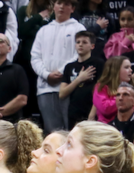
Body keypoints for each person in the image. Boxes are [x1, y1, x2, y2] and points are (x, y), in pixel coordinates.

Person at [31, 0, 84, 132]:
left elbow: (78, 54)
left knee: (71, 130)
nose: (62, 7)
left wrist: (61, 72)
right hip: (45, 87)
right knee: (52, 131)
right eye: (59, 3)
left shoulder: (78, 28)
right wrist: (46, 74)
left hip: (68, 86)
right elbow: (35, 56)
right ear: (53, 6)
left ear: (72, 8)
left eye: (66, 4)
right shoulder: (43, 30)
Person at [60, 31, 105, 127]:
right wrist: (79, 79)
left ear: (92, 46)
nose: (80, 45)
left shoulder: (99, 64)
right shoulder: (69, 67)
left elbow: (101, 90)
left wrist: (93, 113)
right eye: (78, 42)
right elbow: (62, 94)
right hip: (74, 111)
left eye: (84, 42)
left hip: (91, 110)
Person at [91, 56, 134, 122]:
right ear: (115, 70)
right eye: (126, 67)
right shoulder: (101, 87)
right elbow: (105, 109)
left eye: (130, 67)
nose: (131, 70)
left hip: (131, 128)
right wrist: (125, 98)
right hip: (107, 128)